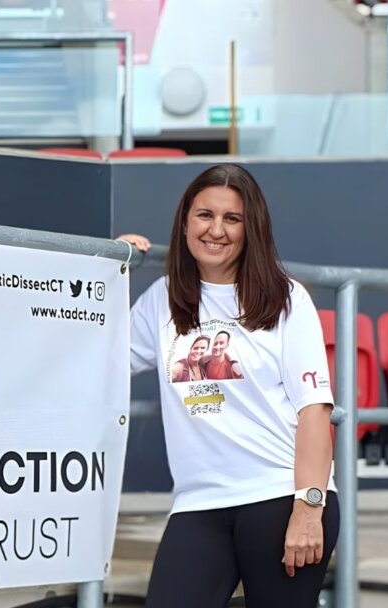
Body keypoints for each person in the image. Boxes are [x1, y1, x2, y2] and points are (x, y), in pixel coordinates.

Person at [117, 164, 338, 608]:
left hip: (280, 497)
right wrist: (106, 269)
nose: (216, 230)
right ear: (184, 223)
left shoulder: (285, 299)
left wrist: (308, 508)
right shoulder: (162, 299)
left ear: (250, 228)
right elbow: (96, 359)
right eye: (204, 215)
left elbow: (314, 410)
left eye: (231, 219)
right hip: (199, 505)